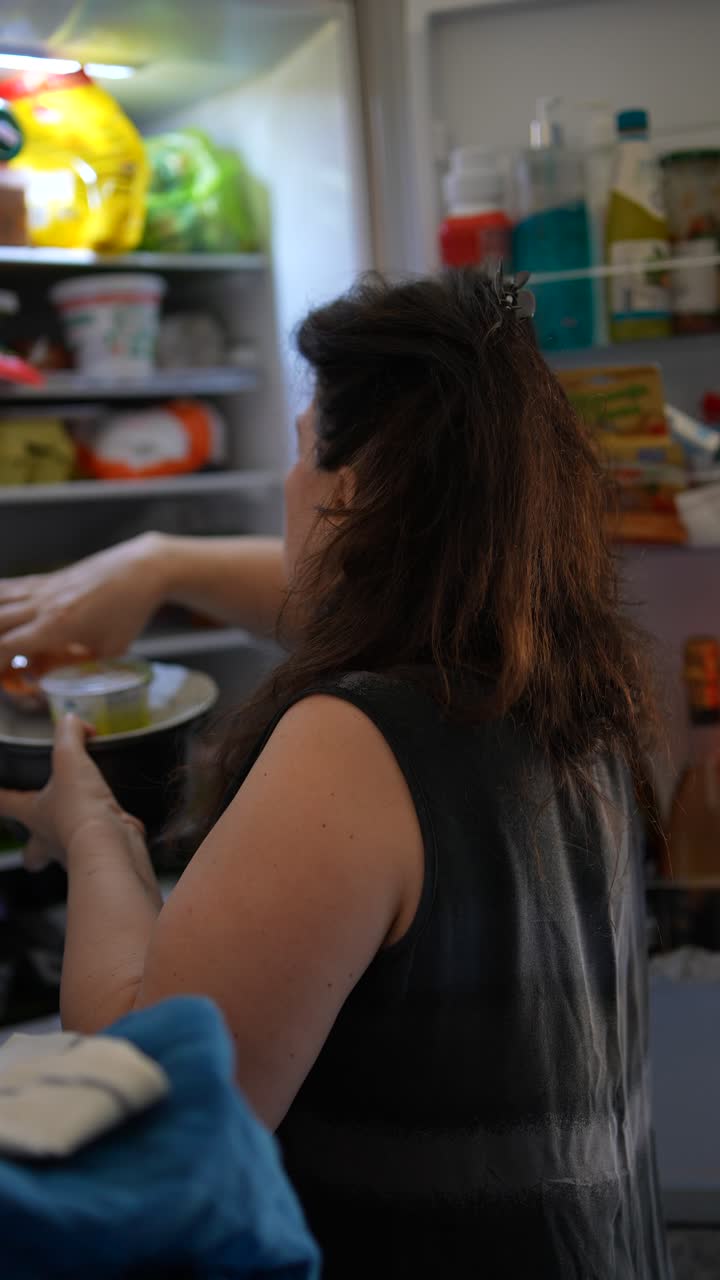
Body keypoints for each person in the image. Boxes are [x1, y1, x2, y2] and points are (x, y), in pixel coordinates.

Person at [0, 270, 670, 1279]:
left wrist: (97, 834)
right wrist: (159, 562)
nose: (289, 480)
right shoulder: (571, 689)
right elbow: (350, 589)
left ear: (350, 492)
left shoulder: (352, 742)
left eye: (302, 446)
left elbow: (157, 1099)